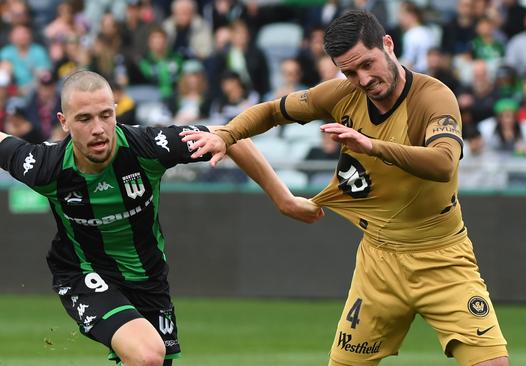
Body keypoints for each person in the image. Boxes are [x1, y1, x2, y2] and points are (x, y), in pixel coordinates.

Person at [181, 10, 508, 366]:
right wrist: (226, 136)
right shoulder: (340, 94)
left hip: (443, 257)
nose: (363, 79)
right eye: (350, 72)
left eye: (368, 64)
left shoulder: (433, 97)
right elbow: (273, 111)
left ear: (387, 44)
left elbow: (445, 163)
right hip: (378, 262)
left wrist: (371, 146)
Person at [0, 70, 322, 366]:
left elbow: (227, 136)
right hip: (84, 275)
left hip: (149, 279)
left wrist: (283, 198)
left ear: (116, 111)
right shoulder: (44, 166)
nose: (98, 129)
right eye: (84, 119)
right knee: (148, 355)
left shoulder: (147, 147)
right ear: (64, 122)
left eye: (105, 115)